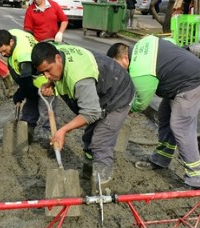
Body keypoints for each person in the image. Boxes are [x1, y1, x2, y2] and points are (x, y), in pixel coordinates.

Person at [108, 36, 200, 189]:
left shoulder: (139, 70)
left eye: (117, 66)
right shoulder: (142, 44)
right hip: (185, 78)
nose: (118, 71)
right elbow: (171, 43)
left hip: (192, 83)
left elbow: (140, 104)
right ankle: (161, 159)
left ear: (124, 57)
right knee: (165, 115)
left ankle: (195, 180)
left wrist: (120, 112)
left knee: (180, 127)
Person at [31, 42, 134, 187]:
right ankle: (88, 173)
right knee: (89, 137)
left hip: (119, 94)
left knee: (100, 143)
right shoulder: (56, 52)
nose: (47, 75)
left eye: (48, 70)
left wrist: (63, 130)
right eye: (43, 73)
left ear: (58, 59)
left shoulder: (79, 77)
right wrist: (50, 82)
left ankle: (101, 190)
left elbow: (91, 113)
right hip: (101, 89)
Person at [0, 29, 51, 137]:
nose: (3, 54)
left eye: (4, 50)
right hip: (31, 79)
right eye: (0, 52)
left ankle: (50, 140)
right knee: (30, 107)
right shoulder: (11, 33)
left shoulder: (23, 53)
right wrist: (22, 91)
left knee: (47, 112)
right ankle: (26, 133)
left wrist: (20, 93)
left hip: (45, 81)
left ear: (11, 42)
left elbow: (27, 79)